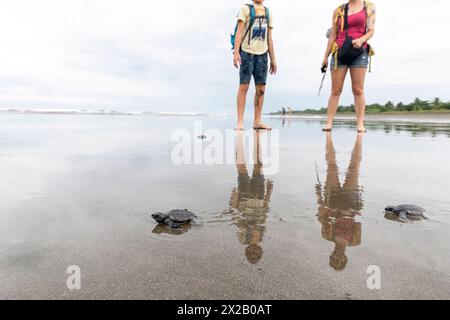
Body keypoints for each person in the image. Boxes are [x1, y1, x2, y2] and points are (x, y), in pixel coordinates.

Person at [321, 0, 376, 133]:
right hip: (339, 52)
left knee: (358, 90)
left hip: (359, 51)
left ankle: (360, 124)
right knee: (335, 90)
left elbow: (371, 31)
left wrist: (361, 40)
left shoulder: (369, 7)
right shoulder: (338, 10)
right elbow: (333, 35)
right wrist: (325, 57)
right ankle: (329, 123)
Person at [315, 132, 364, 271]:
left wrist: (319, 195)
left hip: (332, 201)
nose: (337, 257)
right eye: (339, 260)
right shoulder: (355, 241)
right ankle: (338, 138)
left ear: (330, 255)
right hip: (351, 202)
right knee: (354, 168)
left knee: (331, 167)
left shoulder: (327, 235)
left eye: (334, 259)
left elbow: (321, 213)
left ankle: (330, 137)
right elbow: (358, 223)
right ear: (345, 258)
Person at [228, 130, 273, 264]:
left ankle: (239, 140)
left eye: (251, 255)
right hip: (258, 197)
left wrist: (234, 198)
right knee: (259, 165)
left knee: (241, 167)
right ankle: (257, 138)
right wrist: (269, 193)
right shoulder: (262, 235)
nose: (253, 252)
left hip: (244, 199)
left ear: (246, 251)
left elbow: (236, 216)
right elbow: (264, 212)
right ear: (260, 251)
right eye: (256, 255)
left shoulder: (243, 238)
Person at [233, 0, 277, 131]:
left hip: (262, 55)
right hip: (247, 53)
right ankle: (240, 122)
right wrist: (236, 53)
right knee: (244, 87)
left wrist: (273, 59)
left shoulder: (269, 13)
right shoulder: (245, 9)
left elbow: (269, 37)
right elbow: (239, 32)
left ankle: (257, 121)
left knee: (261, 90)